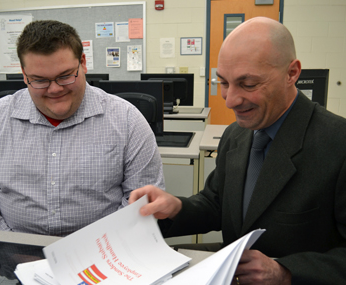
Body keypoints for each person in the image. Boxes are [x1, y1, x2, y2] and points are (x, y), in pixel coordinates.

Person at [130, 17, 346, 284]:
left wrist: (286, 272)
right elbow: (217, 204)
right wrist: (176, 208)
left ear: (292, 73)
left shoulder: (338, 145)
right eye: (223, 82)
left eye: (249, 84)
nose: (230, 100)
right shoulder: (236, 135)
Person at [0, 20, 164, 237]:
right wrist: (13, 249)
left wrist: (97, 254)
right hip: (11, 256)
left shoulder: (127, 120)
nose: (54, 89)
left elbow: (141, 205)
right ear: (24, 74)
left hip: (103, 256)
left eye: (65, 76)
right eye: (39, 80)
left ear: (83, 63)